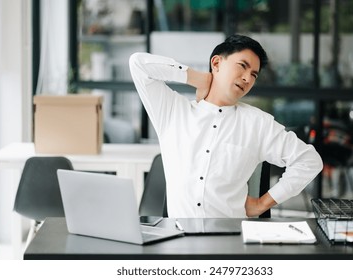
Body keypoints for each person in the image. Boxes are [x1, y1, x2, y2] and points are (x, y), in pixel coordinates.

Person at [129, 34, 323, 218]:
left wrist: (262, 204)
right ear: (216, 63)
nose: (247, 78)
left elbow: (309, 160)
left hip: (229, 239)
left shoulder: (258, 124)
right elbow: (138, 63)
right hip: (178, 238)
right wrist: (199, 78)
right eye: (242, 66)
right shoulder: (172, 111)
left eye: (254, 74)